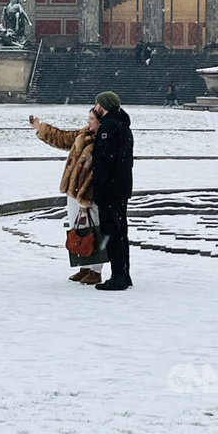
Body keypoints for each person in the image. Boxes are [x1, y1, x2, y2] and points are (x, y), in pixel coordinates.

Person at [30, 108, 105, 285]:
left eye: (92, 120)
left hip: (89, 192)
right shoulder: (83, 134)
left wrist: (87, 194)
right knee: (77, 228)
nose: (89, 123)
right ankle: (84, 265)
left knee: (94, 228)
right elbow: (63, 138)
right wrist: (40, 127)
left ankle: (96, 270)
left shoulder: (103, 140)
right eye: (88, 119)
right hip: (74, 190)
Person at [92, 91, 134, 291]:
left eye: (97, 104)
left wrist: (99, 187)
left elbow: (105, 161)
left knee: (112, 234)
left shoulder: (108, 126)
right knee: (121, 233)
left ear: (104, 106)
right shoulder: (123, 125)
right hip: (122, 186)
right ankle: (124, 274)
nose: (95, 107)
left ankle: (118, 276)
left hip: (110, 189)